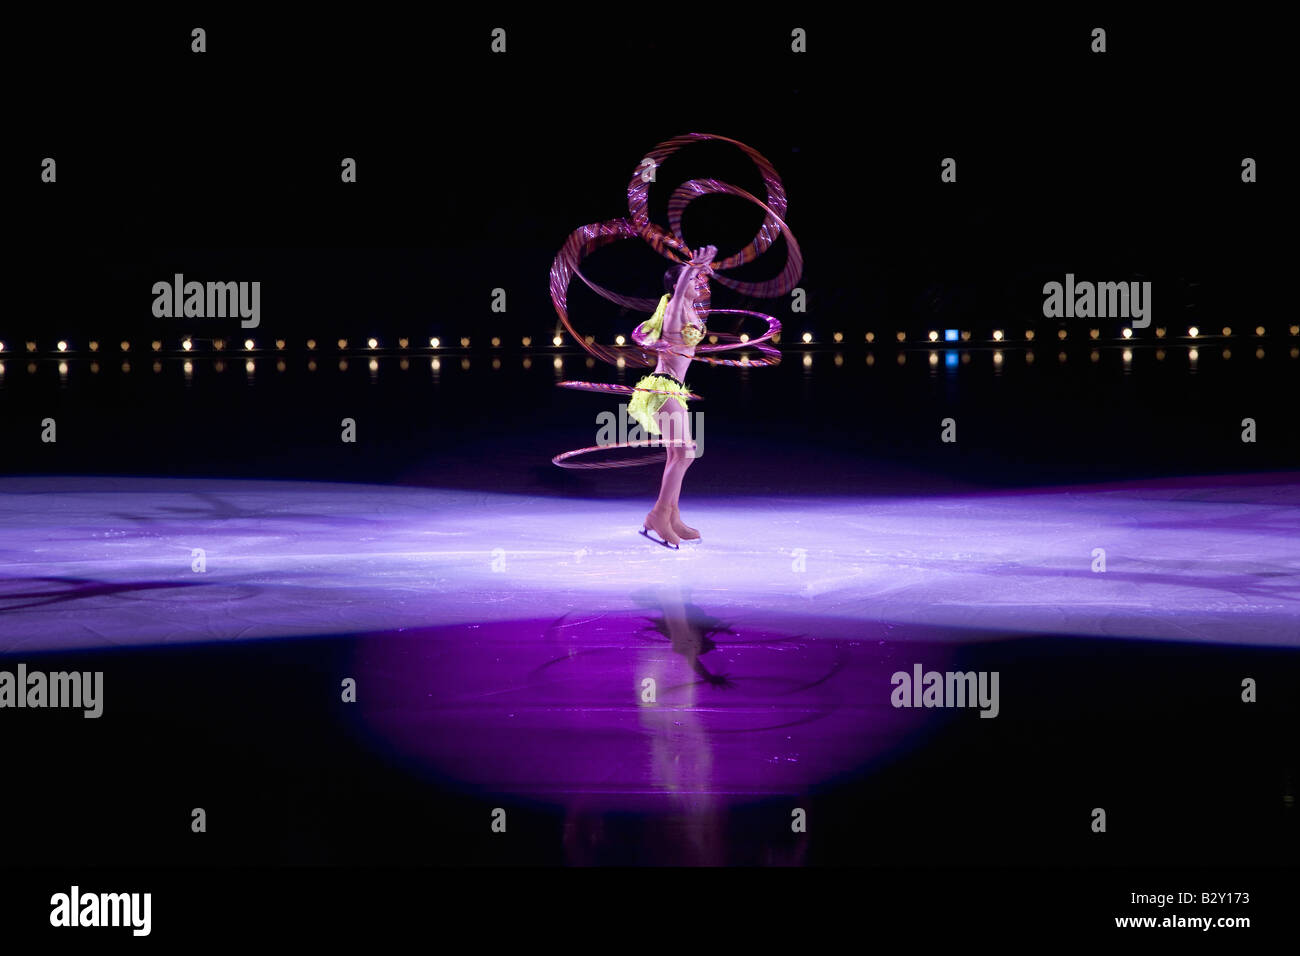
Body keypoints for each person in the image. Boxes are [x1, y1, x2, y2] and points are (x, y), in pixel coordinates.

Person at [628, 245, 717, 548]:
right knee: (685, 453)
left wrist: (702, 271)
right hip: (662, 387)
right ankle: (657, 516)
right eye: (691, 281)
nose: (696, 285)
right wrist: (693, 265)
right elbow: (681, 290)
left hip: (674, 389)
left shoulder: (691, 308)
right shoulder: (675, 307)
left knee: (677, 455)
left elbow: (696, 290)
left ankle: (673, 516)